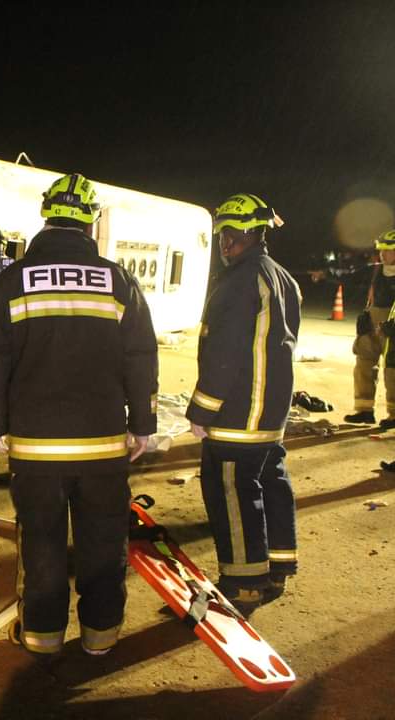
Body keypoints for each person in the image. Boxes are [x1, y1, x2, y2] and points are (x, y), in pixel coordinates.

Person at [0, 173, 157, 661]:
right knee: (103, 540)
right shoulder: (117, 280)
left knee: (43, 543)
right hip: (102, 445)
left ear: (47, 216)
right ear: (91, 220)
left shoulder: (13, 280)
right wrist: (142, 423)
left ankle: (42, 636)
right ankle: (102, 634)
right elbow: (140, 356)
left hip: (36, 446)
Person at [186, 193, 300, 613]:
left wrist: (201, 410)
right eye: (221, 235)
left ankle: (244, 582)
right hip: (270, 412)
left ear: (252, 232)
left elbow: (224, 354)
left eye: (231, 234)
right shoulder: (281, 277)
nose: (224, 244)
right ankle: (278, 566)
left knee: (231, 491)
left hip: (238, 414)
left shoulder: (238, 283)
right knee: (270, 481)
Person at [346, 230, 395, 429]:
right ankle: (364, 411)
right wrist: (324, 275)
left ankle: (394, 416)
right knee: (363, 365)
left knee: (393, 371)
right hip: (371, 326)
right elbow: (349, 278)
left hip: (392, 330)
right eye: (381, 250)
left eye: (388, 250)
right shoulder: (375, 270)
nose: (382, 254)